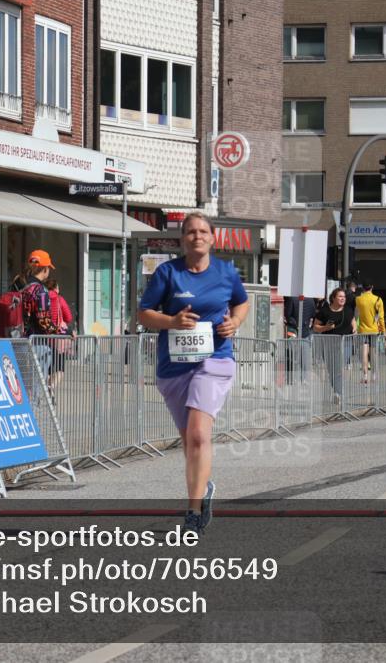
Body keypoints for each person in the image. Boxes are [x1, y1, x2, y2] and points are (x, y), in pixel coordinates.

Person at [138, 212, 249, 535]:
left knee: (200, 435)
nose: (197, 236)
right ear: (182, 239)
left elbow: (240, 304)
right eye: (190, 232)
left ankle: (193, 510)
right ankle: (203, 489)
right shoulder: (167, 273)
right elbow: (144, 314)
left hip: (214, 360)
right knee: (190, 442)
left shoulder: (226, 272)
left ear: (213, 237)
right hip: (174, 366)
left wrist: (236, 323)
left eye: (203, 231)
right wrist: (171, 322)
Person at [313, 287, 356, 403]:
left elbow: (353, 321)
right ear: (333, 298)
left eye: (344, 297)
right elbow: (315, 327)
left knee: (339, 369)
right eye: (340, 296)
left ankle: (339, 393)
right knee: (332, 370)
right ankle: (337, 392)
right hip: (329, 344)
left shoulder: (348, 310)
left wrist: (355, 330)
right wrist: (326, 327)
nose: (343, 299)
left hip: (345, 343)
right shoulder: (325, 311)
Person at [354, 283, 385, 383]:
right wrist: (383, 332)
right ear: (372, 287)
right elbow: (381, 318)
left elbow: (356, 315)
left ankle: (365, 376)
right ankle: (374, 375)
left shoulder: (358, 299)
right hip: (374, 330)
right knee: (374, 353)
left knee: (364, 352)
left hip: (362, 330)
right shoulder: (378, 299)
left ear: (363, 288)